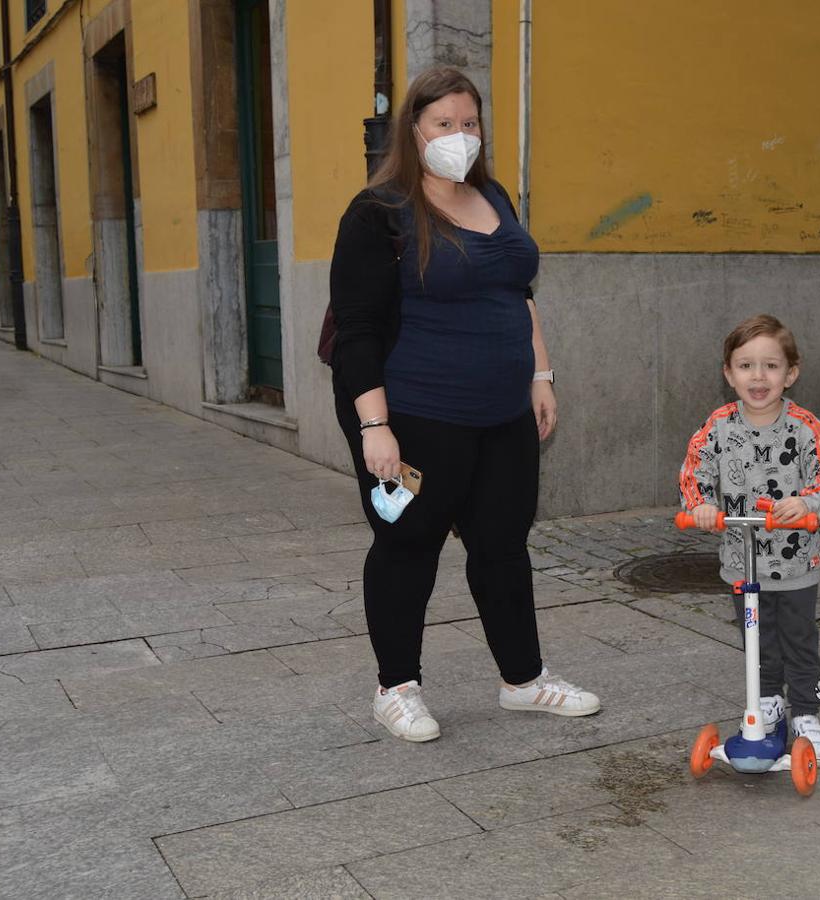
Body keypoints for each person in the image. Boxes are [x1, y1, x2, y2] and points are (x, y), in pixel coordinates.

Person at [327, 66, 600, 742]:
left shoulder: (495, 197)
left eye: (469, 123)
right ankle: (396, 688)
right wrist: (374, 427)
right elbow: (358, 329)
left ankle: (524, 680)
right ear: (413, 130)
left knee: (503, 545)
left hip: (502, 413)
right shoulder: (378, 212)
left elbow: (517, 291)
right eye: (443, 123)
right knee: (406, 542)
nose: (458, 135)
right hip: (416, 419)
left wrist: (540, 374)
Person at [679, 314, 820, 765]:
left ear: (790, 373)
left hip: (796, 564)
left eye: (771, 366)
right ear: (729, 373)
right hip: (741, 558)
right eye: (746, 365)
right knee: (757, 639)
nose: (758, 376)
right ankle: (768, 700)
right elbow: (694, 471)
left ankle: (807, 715)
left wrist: (809, 504)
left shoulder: (806, 428)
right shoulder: (717, 428)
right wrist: (701, 505)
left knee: (797, 638)